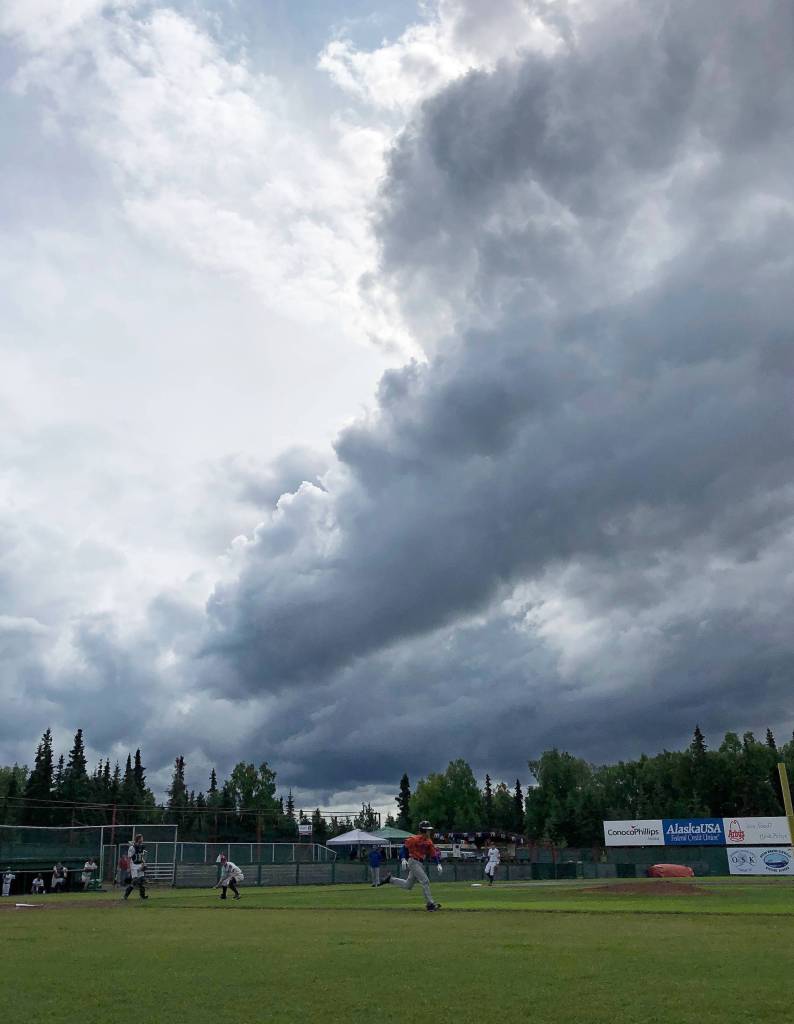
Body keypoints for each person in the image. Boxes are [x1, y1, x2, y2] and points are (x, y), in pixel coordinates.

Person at [378, 821, 442, 911]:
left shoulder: (428, 841)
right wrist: (403, 858)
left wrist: (438, 863)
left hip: (420, 863)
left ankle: (390, 879)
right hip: (413, 862)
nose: (429, 832)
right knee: (425, 881)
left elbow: (433, 854)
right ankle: (430, 904)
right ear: (423, 830)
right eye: (428, 830)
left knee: (408, 885)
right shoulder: (414, 839)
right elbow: (403, 848)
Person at [123, 834, 148, 900]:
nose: (142, 840)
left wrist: (143, 864)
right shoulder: (132, 847)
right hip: (134, 865)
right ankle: (126, 895)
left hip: (140, 864)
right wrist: (128, 867)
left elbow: (142, 856)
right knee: (135, 881)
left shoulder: (142, 847)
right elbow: (129, 858)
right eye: (141, 838)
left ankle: (142, 896)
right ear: (138, 839)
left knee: (141, 880)